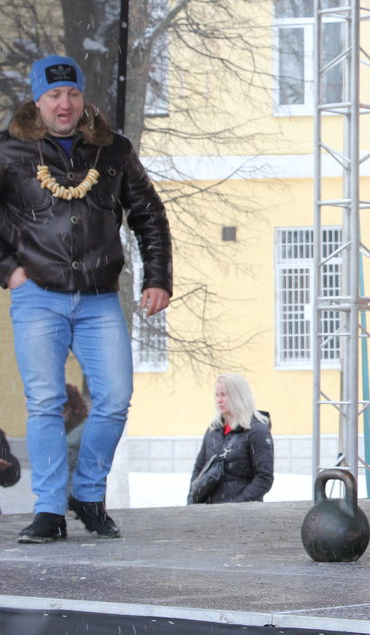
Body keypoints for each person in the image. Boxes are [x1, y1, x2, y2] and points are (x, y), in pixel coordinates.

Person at [0, 55, 172, 543]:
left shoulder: (113, 150)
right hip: (37, 296)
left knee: (115, 398)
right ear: (38, 100)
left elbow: (149, 214)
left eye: (73, 94)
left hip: (99, 298)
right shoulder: (10, 150)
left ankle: (88, 494)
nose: (65, 104)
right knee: (45, 404)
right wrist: (9, 271)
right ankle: (49, 510)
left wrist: (157, 277)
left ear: (82, 98)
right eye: (54, 95)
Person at [189, 373, 274, 504]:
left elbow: (264, 478)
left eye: (224, 394)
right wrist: (192, 501)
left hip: (242, 514)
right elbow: (199, 470)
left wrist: (235, 507)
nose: (219, 400)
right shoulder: (213, 430)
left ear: (238, 395)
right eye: (217, 395)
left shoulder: (257, 431)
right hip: (208, 511)